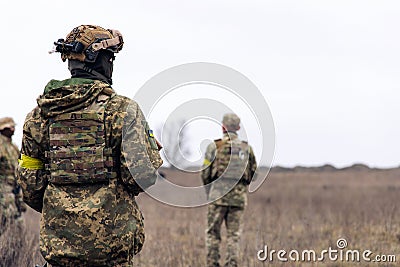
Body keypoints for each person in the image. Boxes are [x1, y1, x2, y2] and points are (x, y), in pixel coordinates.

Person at [17, 25, 163, 266]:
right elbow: (142, 177)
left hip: (59, 250)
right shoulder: (123, 111)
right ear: (98, 59)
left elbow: (31, 187)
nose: (112, 64)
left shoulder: (39, 115)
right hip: (112, 251)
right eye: (110, 57)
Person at [201, 113, 257, 267]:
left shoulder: (214, 147)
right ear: (238, 128)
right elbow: (255, 174)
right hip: (238, 200)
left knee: (213, 234)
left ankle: (213, 264)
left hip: (217, 197)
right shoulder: (247, 148)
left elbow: (205, 172)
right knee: (234, 236)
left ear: (223, 127)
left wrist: (209, 192)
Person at [0, 117, 26, 234]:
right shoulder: (1, 146)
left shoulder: (13, 147)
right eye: (9, 126)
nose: (13, 129)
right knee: (9, 216)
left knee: (18, 218)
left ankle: (17, 244)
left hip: (15, 187)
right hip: (4, 187)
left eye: (13, 126)